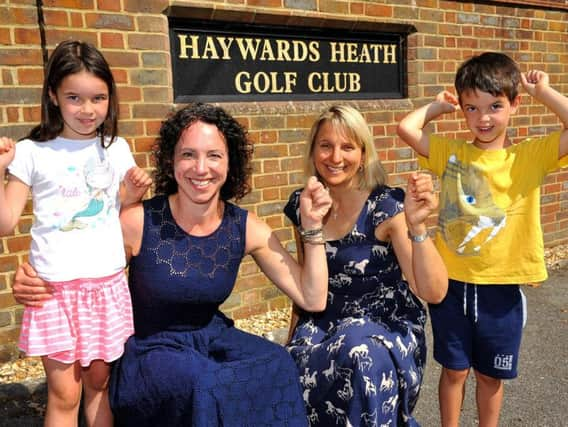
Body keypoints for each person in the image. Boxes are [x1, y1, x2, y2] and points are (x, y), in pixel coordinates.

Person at [14, 102, 332, 427]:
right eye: (188, 154)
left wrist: (312, 226)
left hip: (210, 338)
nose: (201, 168)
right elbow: (74, 260)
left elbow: (312, 298)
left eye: (214, 155)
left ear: (230, 162)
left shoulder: (245, 226)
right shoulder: (138, 221)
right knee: (203, 382)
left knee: (275, 362)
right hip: (148, 350)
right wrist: (30, 277)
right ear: (171, 160)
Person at [396, 52, 568, 427]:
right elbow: (407, 129)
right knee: (454, 370)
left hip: (501, 289)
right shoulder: (452, 152)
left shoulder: (530, 155)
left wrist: (546, 92)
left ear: (514, 104)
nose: (483, 118)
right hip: (451, 283)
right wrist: (436, 107)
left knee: (491, 375)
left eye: (494, 106)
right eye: (471, 108)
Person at [0, 40, 151, 427]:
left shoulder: (116, 148)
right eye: (74, 98)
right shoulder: (30, 152)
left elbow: (112, 205)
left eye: (98, 98)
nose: (88, 110)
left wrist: (131, 192)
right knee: (65, 393)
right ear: (53, 95)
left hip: (106, 285)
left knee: (99, 384)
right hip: (54, 291)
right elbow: (5, 221)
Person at [283, 105, 448, 426]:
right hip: (323, 322)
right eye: (326, 145)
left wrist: (417, 227)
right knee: (285, 365)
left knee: (360, 355)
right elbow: (307, 283)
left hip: (384, 325)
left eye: (347, 147)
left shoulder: (386, 205)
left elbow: (434, 291)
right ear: (314, 150)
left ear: (363, 152)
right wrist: (292, 340)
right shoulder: (303, 204)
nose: (335, 157)